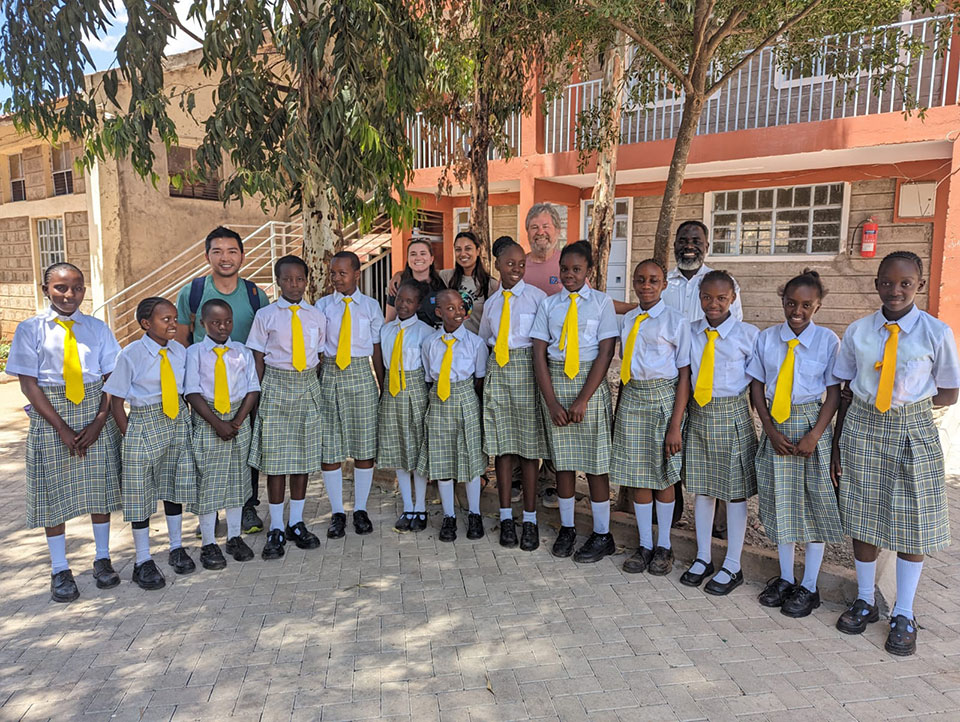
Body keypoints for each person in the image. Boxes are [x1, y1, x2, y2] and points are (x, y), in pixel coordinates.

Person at [832, 251, 959, 656]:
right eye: (887, 282)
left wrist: (910, 405)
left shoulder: (936, 333)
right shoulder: (858, 331)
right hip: (863, 428)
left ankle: (903, 612)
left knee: (913, 520)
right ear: (877, 284)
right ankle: (866, 599)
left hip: (912, 429)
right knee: (863, 515)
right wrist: (836, 445)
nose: (895, 290)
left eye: (905, 283)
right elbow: (846, 390)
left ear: (919, 285)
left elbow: (950, 390)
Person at [7, 262, 123, 602]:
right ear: (46, 290)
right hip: (51, 416)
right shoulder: (31, 330)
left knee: (99, 488)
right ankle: (60, 568)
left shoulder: (97, 328)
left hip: (93, 413)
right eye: (60, 288)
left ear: (84, 290)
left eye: (77, 287)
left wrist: (101, 420)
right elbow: (29, 384)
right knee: (53, 494)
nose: (69, 294)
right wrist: (61, 427)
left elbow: (111, 379)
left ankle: (102, 558)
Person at [747, 270, 842, 618]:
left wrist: (816, 434)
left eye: (805, 305)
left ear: (818, 305)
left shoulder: (828, 340)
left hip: (810, 426)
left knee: (814, 507)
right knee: (781, 504)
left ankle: (810, 586)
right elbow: (757, 386)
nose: (797, 311)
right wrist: (768, 430)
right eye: (790, 303)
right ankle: (786, 578)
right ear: (782, 300)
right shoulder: (767, 339)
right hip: (776, 426)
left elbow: (833, 393)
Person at [175, 226, 270, 536]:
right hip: (207, 387)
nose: (225, 258)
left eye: (232, 251)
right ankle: (210, 508)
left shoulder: (256, 294)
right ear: (207, 256)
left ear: (242, 255)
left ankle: (246, 506)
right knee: (206, 449)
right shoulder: (194, 292)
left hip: (246, 384)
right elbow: (181, 340)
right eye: (217, 251)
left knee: (247, 447)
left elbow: (268, 339)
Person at [531, 241, 619, 563]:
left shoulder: (601, 303)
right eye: (564, 269)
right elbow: (539, 353)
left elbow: (606, 352)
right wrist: (551, 402)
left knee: (596, 464)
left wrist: (583, 399)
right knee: (564, 462)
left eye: (576, 269)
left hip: (589, 386)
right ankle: (567, 528)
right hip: (556, 382)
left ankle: (602, 534)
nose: (569, 274)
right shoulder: (549, 305)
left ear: (589, 271)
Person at [105, 297, 197, 590]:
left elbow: (184, 391)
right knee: (140, 493)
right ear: (146, 324)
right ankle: (142, 560)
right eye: (165, 320)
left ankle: (176, 547)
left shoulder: (180, 351)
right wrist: (127, 432)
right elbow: (115, 399)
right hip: (143, 423)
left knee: (174, 486)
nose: (173, 324)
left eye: (174, 318)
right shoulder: (131, 354)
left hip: (176, 421)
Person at [679, 270, 760, 595]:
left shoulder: (747, 335)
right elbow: (685, 377)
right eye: (707, 298)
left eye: (721, 298)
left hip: (733, 415)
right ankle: (703, 557)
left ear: (733, 299)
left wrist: (755, 421)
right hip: (700, 415)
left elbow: (756, 384)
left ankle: (733, 564)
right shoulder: (691, 332)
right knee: (703, 489)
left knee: (734, 492)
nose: (713, 304)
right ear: (699, 299)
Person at [613, 259, 691, 576]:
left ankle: (665, 545)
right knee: (638, 475)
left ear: (664, 285)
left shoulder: (676, 321)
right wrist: (620, 409)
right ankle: (644, 544)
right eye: (641, 279)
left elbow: (685, 374)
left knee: (664, 475)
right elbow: (624, 367)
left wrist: (675, 424)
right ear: (634, 282)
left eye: (653, 280)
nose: (646, 285)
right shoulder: (628, 319)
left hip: (663, 400)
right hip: (633, 398)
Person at [246, 255, 326, 560]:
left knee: (303, 459)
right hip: (275, 386)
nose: (294, 285)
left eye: (300, 279)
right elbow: (257, 358)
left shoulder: (316, 316)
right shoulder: (266, 316)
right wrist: (257, 397)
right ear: (278, 281)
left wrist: (311, 387)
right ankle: (276, 526)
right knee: (277, 461)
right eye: (288, 279)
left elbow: (318, 356)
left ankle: (296, 522)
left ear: (307, 280)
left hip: (306, 385)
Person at [478, 239, 549, 551]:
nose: (517, 269)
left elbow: (543, 343)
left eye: (522, 264)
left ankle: (530, 519)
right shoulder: (492, 303)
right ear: (497, 266)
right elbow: (484, 342)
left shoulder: (537, 298)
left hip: (527, 372)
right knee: (502, 448)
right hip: (499, 372)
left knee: (528, 449)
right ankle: (506, 516)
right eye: (510, 264)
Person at [183, 300, 261, 568]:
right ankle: (208, 543)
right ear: (203, 324)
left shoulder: (242, 351)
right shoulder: (194, 352)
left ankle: (235, 537)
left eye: (227, 321)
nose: (222, 327)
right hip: (208, 420)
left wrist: (237, 421)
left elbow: (253, 387)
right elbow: (192, 391)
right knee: (209, 482)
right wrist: (218, 423)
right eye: (215, 322)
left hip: (238, 421)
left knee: (238, 481)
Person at [315, 251, 385, 538]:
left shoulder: (370, 306)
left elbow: (378, 348)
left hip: (360, 377)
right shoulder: (322, 306)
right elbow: (318, 349)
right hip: (330, 374)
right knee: (330, 447)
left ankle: (360, 509)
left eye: (343, 273)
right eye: (333, 273)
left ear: (357, 274)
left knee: (364, 446)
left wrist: (382, 386)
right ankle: (337, 512)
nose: (337, 278)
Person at [416, 288, 489, 542]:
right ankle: (449, 516)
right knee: (442, 460)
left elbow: (479, 379)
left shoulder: (475, 343)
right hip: (438, 402)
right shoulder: (430, 344)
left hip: (466, 399)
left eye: (461, 307)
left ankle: (475, 514)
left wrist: (467, 400)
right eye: (450, 309)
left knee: (470, 461)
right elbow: (428, 377)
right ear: (438, 313)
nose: (458, 313)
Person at [378, 279, 434, 533]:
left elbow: (430, 369)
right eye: (400, 299)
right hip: (392, 394)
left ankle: (421, 507)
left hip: (416, 393)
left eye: (409, 301)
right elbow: (382, 364)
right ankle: (408, 506)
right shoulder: (386, 330)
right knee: (400, 452)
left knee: (417, 451)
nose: (403, 305)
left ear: (418, 304)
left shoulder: (426, 333)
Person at [663, 221, 743, 322]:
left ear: (706, 247)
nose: (689, 246)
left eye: (696, 242)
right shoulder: (660, 283)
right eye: (682, 242)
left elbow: (734, 322)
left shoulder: (725, 284)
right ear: (675, 246)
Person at [439, 231, 499, 334]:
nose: (463, 253)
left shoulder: (491, 285)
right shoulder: (447, 276)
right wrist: (400, 275)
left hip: (477, 345)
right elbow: (424, 272)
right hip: (451, 344)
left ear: (478, 251)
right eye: (458, 249)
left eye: (468, 248)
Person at [385, 238, 447, 328]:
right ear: (408, 260)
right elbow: (389, 322)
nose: (418, 258)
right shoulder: (398, 285)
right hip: (406, 339)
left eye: (423, 253)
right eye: (413, 254)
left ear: (431, 259)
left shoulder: (442, 283)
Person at [523, 203, 565, 296]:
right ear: (527, 232)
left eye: (545, 226)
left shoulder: (568, 263)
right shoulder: (517, 267)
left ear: (557, 230)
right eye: (534, 227)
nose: (540, 232)